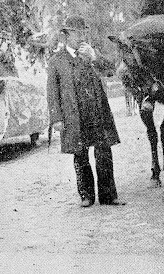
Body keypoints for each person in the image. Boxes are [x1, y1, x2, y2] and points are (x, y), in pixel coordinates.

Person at [47, 16, 126, 208]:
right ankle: (86, 195)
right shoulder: (57, 61)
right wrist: (56, 118)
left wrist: (95, 57)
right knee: (80, 155)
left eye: (83, 32)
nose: (81, 37)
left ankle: (108, 195)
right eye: (76, 33)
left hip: (96, 112)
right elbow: (52, 92)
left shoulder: (91, 54)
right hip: (74, 115)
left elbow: (111, 71)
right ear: (66, 36)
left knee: (104, 152)